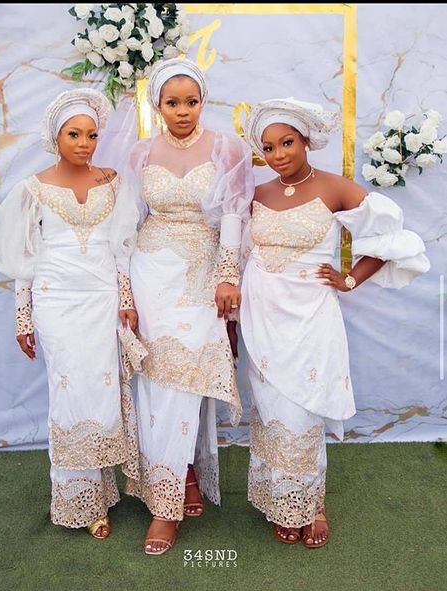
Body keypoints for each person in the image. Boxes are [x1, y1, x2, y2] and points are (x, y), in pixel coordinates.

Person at [240, 97, 430, 548]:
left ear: (306, 140)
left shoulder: (335, 188)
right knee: (271, 409)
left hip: (310, 315)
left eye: (287, 142)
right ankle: (280, 501)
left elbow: (393, 240)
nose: (279, 154)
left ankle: (312, 504)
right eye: (268, 148)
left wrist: (349, 279)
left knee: (303, 408)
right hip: (263, 314)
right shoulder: (257, 194)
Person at [0, 88, 139, 539]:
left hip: (102, 301)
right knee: (70, 394)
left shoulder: (113, 182)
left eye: (92, 135)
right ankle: (79, 500)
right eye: (74, 134)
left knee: (101, 392)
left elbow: (122, 251)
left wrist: (126, 300)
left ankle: (102, 490)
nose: (85, 143)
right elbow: (23, 258)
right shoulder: (32, 189)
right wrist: (23, 318)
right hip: (56, 303)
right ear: (56, 136)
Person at [120, 58, 254, 555]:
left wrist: (226, 277)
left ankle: (171, 493)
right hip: (150, 272)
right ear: (157, 104)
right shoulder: (138, 153)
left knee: (187, 380)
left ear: (203, 101)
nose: (182, 111)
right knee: (157, 384)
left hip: (201, 276)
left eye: (191, 101)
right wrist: (126, 295)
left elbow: (235, 216)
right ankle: (174, 488)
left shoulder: (225, 147)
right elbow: (127, 223)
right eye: (172, 102)